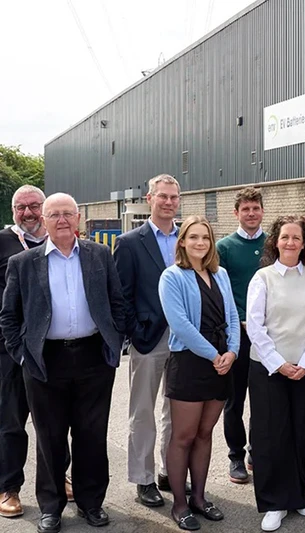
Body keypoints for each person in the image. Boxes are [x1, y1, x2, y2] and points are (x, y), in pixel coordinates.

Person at [0, 193, 128, 533]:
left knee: (91, 435)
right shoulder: (24, 263)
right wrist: (23, 354)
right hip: (44, 361)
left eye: (68, 214)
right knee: (50, 437)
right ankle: (51, 507)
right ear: (44, 221)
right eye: (54, 215)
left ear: (78, 219)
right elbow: (9, 317)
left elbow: (117, 302)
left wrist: (115, 345)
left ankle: (91, 503)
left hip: (93, 358)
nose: (61, 220)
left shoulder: (100, 255)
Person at [158, 216, 240, 530]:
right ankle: (180, 504)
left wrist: (232, 352)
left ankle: (200, 498)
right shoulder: (172, 276)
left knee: (205, 435)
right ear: (182, 242)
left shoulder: (220, 274)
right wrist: (215, 354)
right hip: (191, 363)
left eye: (205, 238)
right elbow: (181, 326)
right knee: (183, 437)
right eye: (193, 238)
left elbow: (233, 316)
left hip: (222, 363)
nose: (200, 243)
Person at [245, 216, 305, 531]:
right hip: (268, 367)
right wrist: (278, 363)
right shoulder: (262, 278)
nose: (290, 242)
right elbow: (255, 325)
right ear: (275, 242)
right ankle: (273, 502)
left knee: (299, 430)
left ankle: (299, 496)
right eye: (285, 237)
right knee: (270, 435)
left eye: (296, 238)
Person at [114, 174, 181, 507]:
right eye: (162, 197)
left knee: (177, 410)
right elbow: (122, 295)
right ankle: (143, 478)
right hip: (149, 338)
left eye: (174, 197)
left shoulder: (190, 238)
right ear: (149, 198)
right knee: (143, 411)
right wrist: (135, 333)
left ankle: (171, 471)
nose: (168, 202)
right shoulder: (130, 243)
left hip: (186, 340)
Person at [0, 185, 50, 519]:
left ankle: (56, 476)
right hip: (8, 349)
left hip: (52, 348)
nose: (28, 212)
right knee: (10, 421)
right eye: (21, 207)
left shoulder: (59, 240)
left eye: (34, 206)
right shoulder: (2, 241)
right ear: (13, 210)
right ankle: (8, 486)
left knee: (55, 421)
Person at [216, 187, 265, 484]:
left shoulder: (273, 243)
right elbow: (219, 292)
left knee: (263, 398)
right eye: (245, 209)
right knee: (234, 400)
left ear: (262, 210)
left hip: (267, 334)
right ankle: (235, 455)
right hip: (237, 334)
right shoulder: (224, 247)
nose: (251, 213)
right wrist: (238, 322)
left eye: (255, 208)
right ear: (236, 213)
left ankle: (256, 451)